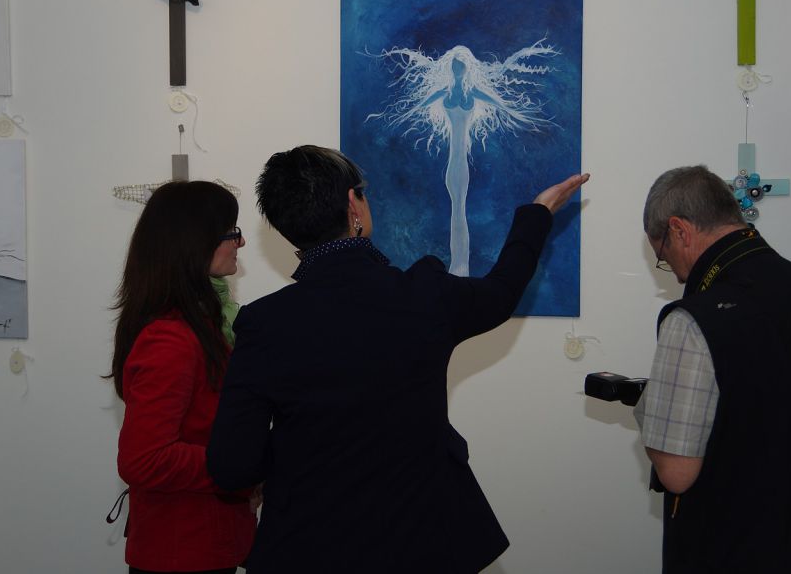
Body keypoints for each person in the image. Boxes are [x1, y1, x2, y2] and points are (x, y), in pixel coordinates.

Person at [207, 144, 588, 573]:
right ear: (353, 204)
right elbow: (501, 292)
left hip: (306, 548)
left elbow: (232, 466)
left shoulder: (264, 323)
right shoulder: (423, 295)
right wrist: (538, 213)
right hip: (421, 546)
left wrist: (298, 455)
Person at [635, 165, 791, 573]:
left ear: (679, 230)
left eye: (662, 254)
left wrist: (651, 408)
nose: (672, 270)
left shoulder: (692, 320)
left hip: (739, 551)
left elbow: (676, 473)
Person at [108, 180, 256, 574]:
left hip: (203, 542)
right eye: (231, 232)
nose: (240, 242)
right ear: (196, 243)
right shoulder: (171, 338)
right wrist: (238, 466)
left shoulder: (203, 324)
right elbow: (145, 459)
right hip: (183, 550)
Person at [365, 42, 562, 275]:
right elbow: (410, 111)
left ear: (467, 68)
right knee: (456, 208)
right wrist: (386, 121)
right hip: (452, 164)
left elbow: (508, 109)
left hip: (463, 165)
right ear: (450, 68)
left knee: (460, 208)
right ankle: (458, 266)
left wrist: (533, 120)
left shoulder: (473, 93)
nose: (458, 70)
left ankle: (461, 265)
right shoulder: (444, 93)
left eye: (461, 66)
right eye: (455, 66)